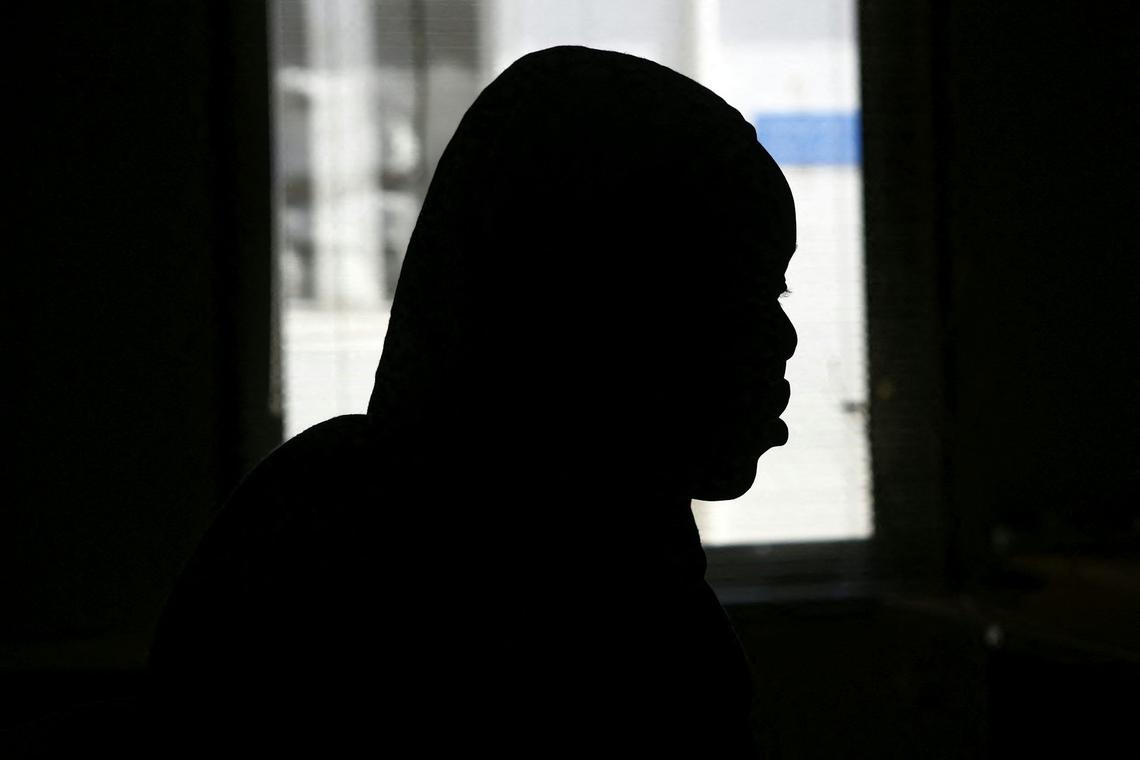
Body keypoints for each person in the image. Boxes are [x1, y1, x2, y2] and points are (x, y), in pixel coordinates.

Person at [149, 45, 796, 756]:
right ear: (587, 306)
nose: (783, 336)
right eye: (733, 293)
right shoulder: (380, 580)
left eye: (774, 290)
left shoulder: (622, 569)